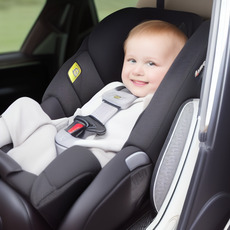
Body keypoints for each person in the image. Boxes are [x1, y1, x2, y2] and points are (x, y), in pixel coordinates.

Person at [0, 20, 187, 175]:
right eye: (131, 60)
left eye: (151, 63)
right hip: (66, 136)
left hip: (90, 158)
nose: (137, 70)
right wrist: (50, 127)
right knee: (25, 105)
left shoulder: (157, 104)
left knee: (49, 148)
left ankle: (16, 169)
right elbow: (80, 117)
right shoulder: (113, 88)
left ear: (175, 71)